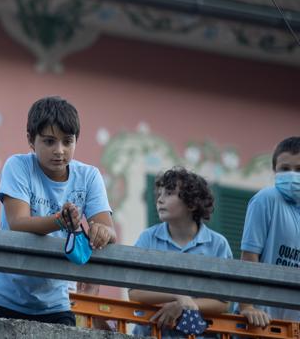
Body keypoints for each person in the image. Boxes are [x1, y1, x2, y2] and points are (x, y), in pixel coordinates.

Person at [0, 96, 116, 325]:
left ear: (76, 141)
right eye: (49, 141)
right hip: (1, 297)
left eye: (67, 141)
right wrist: (59, 220)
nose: (59, 150)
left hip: (55, 302)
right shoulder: (18, 166)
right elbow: (18, 222)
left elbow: (108, 229)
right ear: (30, 140)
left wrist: (101, 232)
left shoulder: (89, 176)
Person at [128, 167, 231, 337]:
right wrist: (178, 296)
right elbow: (134, 293)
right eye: (159, 194)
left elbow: (223, 303)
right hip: (151, 334)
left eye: (169, 193)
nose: (160, 200)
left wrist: (182, 306)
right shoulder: (148, 238)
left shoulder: (218, 244)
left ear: (192, 203)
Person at [238, 136, 300, 327]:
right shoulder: (266, 199)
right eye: (285, 169)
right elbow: (249, 257)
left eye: (299, 169)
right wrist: (247, 307)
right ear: (274, 171)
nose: (292, 175)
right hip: (261, 322)